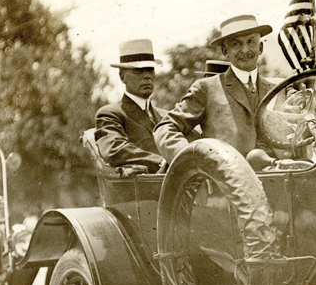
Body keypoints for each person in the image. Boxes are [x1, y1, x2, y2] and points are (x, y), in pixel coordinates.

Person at [154, 15, 275, 162]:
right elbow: (166, 128)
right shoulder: (206, 88)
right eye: (236, 44)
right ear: (225, 51)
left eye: (250, 42)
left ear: (260, 47)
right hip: (228, 181)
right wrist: (191, 160)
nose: (245, 50)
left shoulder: (278, 90)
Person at [93, 39, 168, 173]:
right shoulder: (111, 114)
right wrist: (162, 162)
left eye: (150, 70)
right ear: (122, 77)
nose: (147, 76)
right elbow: (114, 149)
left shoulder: (165, 116)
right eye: (138, 70)